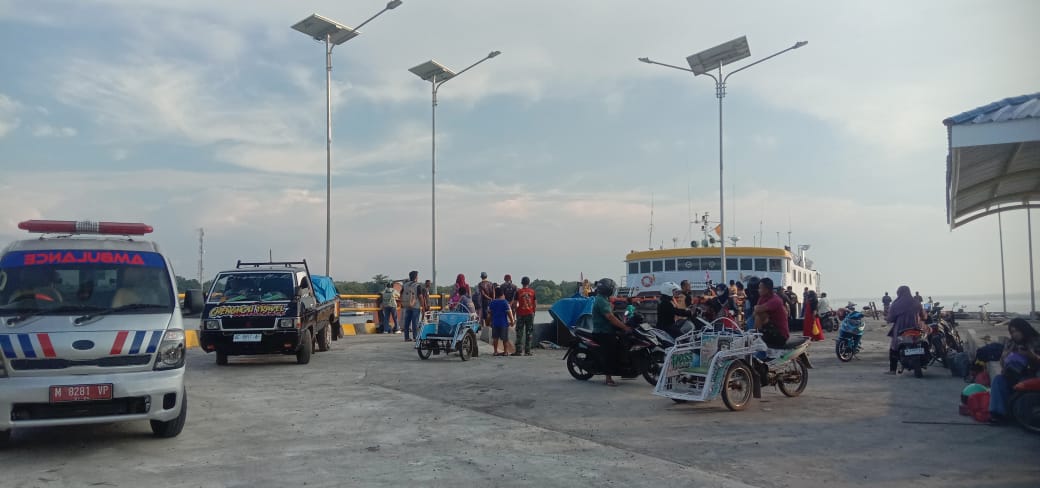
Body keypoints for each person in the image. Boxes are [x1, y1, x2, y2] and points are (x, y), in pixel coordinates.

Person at [989, 318, 1040, 423]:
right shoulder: (1011, 343)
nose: (1015, 334)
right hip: (1012, 374)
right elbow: (1002, 363)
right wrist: (1005, 356)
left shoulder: (1036, 341)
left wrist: (1031, 356)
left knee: (1024, 382)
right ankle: (998, 414)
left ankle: (1022, 415)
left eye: (1017, 331)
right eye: (1012, 332)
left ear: (1024, 329)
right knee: (998, 380)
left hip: (1032, 376)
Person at [590, 278, 632, 387]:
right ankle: (608, 378)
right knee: (611, 351)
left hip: (608, 329)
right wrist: (624, 327)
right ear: (607, 289)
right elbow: (610, 317)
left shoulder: (604, 299)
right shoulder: (601, 300)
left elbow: (611, 311)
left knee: (623, 342)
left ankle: (624, 368)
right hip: (602, 331)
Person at [885, 285, 927, 374]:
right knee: (921, 341)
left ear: (899, 293)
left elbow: (891, 318)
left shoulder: (896, 304)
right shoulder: (916, 302)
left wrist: (888, 319)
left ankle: (892, 370)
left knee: (894, 347)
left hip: (900, 329)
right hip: (915, 328)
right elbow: (923, 316)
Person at [753, 278, 790, 349]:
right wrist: (757, 309)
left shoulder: (776, 300)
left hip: (780, 335)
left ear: (766, 289)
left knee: (760, 315)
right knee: (758, 315)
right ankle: (756, 336)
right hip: (770, 330)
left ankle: (756, 337)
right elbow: (754, 314)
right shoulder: (762, 298)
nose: (758, 290)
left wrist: (756, 308)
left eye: (760, 288)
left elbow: (758, 310)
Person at [513, 277, 537, 356]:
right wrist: (533, 312)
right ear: (529, 283)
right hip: (530, 313)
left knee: (519, 332)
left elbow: (515, 304)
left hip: (520, 314)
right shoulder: (532, 292)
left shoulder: (518, 292)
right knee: (529, 332)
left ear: (521, 283)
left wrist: (516, 312)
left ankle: (518, 351)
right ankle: (528, 351)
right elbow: (535, 303)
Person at [488, 288, 514, 356]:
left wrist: (489, 322)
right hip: (503, 323)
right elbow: (509, 313)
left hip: (495, 323)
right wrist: (512, 321)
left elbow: (489, 314)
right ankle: (505, 352)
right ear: (502, 294)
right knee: (505, 339)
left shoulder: (492, 302)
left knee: (495, 338)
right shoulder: (505, 302)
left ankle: (495, 351)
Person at [400, 271, 423, 342]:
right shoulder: (417, 285)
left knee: (407, 321)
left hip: (407, 305)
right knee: (415, 321)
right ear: (416, 277)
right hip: (415, 305)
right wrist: (422, 305)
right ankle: (415, 337)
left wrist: (402, 302)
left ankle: (406, 337)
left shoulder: (405, 285)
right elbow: (420, 296)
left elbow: (401, 293)